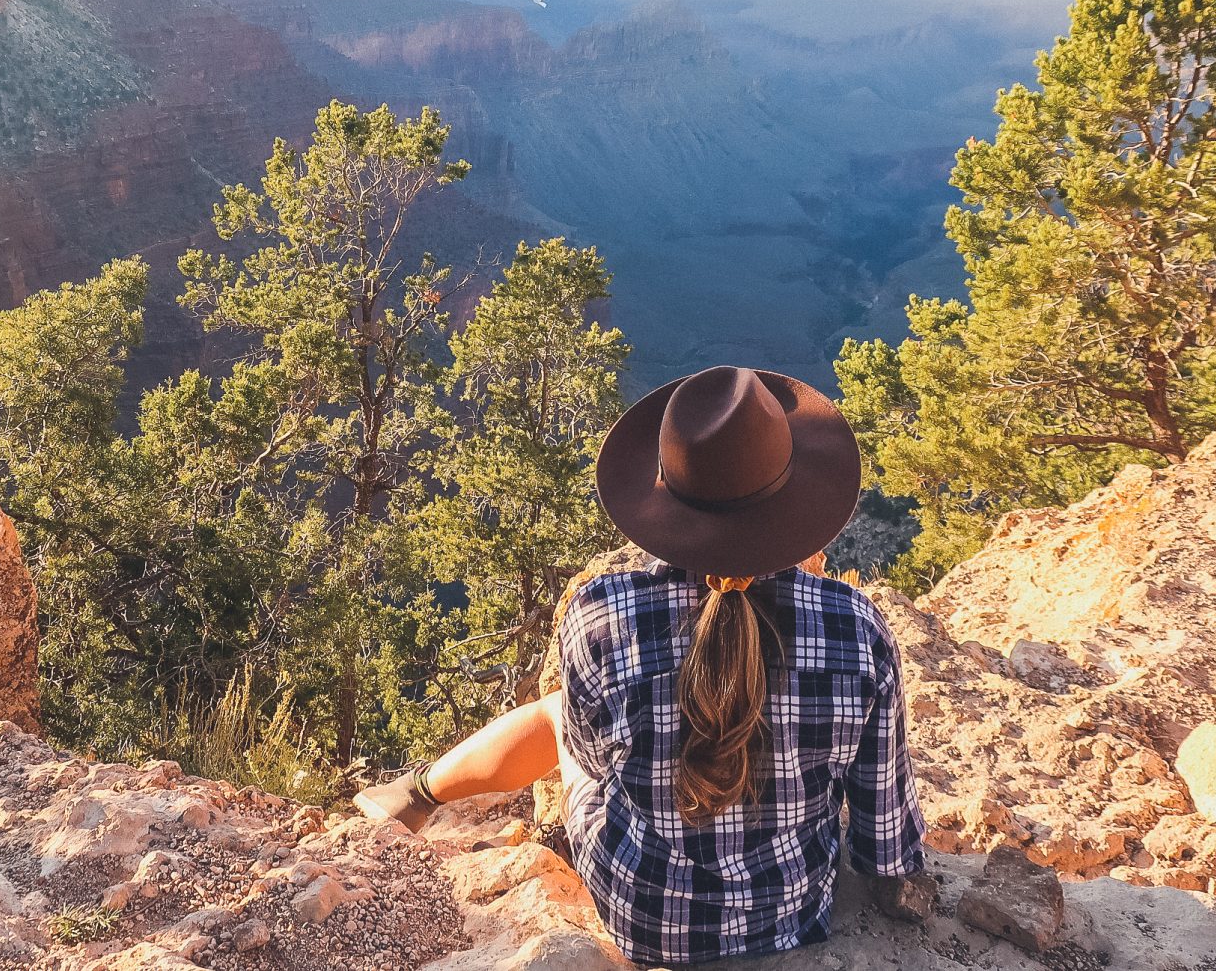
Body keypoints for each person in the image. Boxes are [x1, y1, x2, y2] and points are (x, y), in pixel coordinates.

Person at [356, 365, 932, 965]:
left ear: (666, 500)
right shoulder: (855, 629)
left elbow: (597, 764)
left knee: (556, 715)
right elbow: (884, 839)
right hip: (789, 919)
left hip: (643, 919)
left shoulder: (602, 616)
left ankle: (417, 793)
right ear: (791, 503)